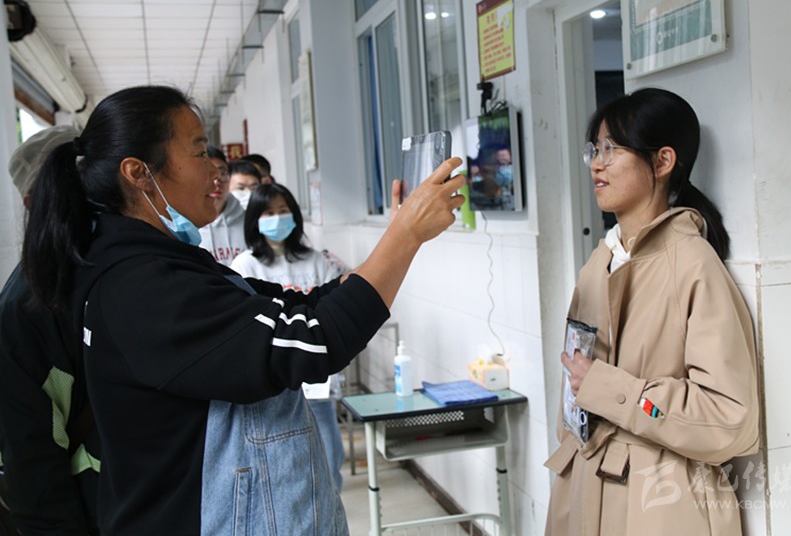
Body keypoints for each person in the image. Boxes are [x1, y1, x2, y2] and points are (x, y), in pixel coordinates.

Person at [21, 85, 464, 535]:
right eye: (199, 152)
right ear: (139, 173)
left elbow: (301, 307)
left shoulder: (164, 264)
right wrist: (404, 237)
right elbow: (313, 341)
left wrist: (398, 233)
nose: (216, 170)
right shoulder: (139, 287)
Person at [544, 88, 759, 536]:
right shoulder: (598, 262)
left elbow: (729, 418)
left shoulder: (693, 263)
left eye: (610, 149)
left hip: (659, 504)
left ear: (662, 161)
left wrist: (612, 390)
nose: (596, 164)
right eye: (594, 150)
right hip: (584, 487)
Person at [0, 126, 100, 535]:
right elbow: (32, 456)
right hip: (92, 509)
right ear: (31, 202)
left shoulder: (125, 266)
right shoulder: (26, 306)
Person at [231, 183, 348, 489]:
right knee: (285, 467)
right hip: (275, 384)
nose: (277, 218)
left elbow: (332, 310)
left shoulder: (315, 260)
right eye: (268, 213)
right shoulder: (245, 265)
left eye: (283, 211)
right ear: (255, 219)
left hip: (316, 382)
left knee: (330, 456)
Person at [198, 145, 246, 265]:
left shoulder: (247, 220)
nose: (216, 182)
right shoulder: (189, 226)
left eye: (222, 173)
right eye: (209, 174)